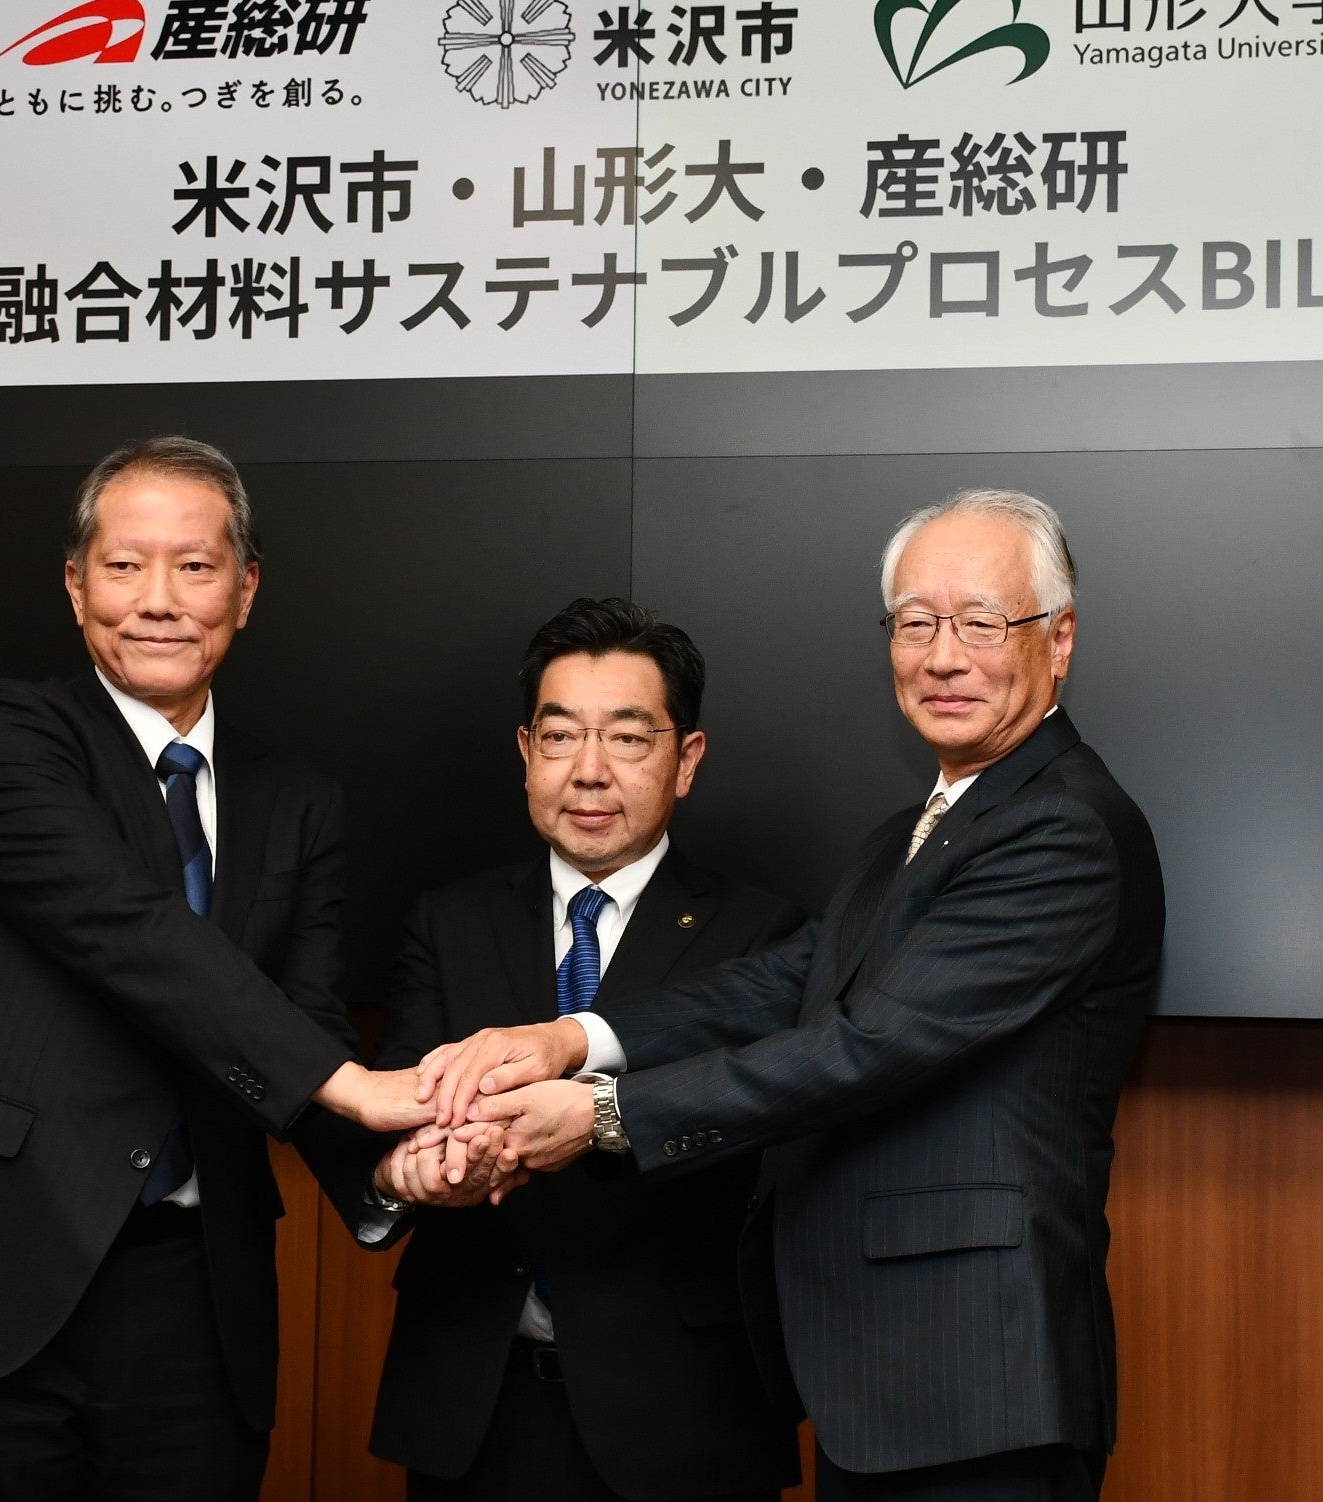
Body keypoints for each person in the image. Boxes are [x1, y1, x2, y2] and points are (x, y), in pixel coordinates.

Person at [413, 490, 1165, 1501]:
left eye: (980, 623)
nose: (942, 657)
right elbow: (783, 982)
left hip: (973, 1375)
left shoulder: (1062, 827)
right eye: (914, 623)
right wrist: (569, 1037)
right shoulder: (916, 830)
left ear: (1057, 639)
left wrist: (600, 1113)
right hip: (884, 1375)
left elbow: (866, 1045)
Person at [0, 435, 450, 1502]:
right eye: (122, 565)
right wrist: (357, 1086)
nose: (158, 600)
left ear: (244, 590)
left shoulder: (298, 801)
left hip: (196, 1298)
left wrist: (389, 1168)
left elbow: (303, 1018)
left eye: (193, 567)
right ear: (74, 586)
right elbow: (132, 931)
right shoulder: (10, 735)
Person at [368, 599, 805, 1502]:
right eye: (561, 737)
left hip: (682, 1412)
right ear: (526, 752)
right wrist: (410, 1169)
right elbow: (400, 1106)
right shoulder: (447, 922)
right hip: (474, 1406)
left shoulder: (765, 936)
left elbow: (746, 1116)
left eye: (629, 739)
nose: (589, 772)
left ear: (686, 760)